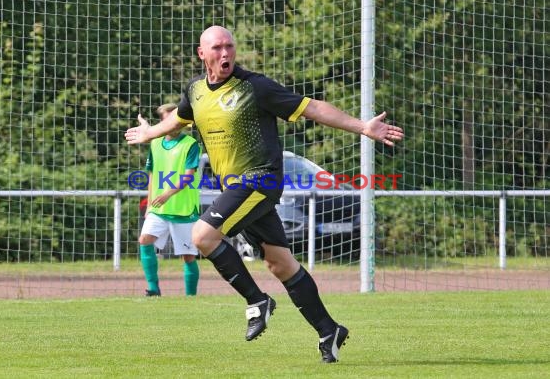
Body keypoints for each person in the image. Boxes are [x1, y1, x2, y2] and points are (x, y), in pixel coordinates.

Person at [125, 26, 404, 362]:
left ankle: (257, 301)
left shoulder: (255, 87)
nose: (225, 53)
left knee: (202, 235)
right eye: (217, 48)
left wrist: (363, 127)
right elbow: (179, 120)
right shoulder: (196, 91)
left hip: (261, 180)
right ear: (202, 54)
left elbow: (312, 107)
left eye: (230, 46)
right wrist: (148, 133)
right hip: (237, 188)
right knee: (280, 264)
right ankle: (329, 330)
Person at [138, 103, 201, 297]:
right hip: (158, 208)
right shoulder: (155, 143)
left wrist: (167, 194)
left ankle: (190, 298)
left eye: (172, 119)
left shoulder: (190, 144)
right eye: (165, 119)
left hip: (183, 209)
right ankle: (153, 289)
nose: (169, 123)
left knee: (188, 257)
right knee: (144, 240)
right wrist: (149, 204)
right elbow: (152, 175)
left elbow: (188, 176)